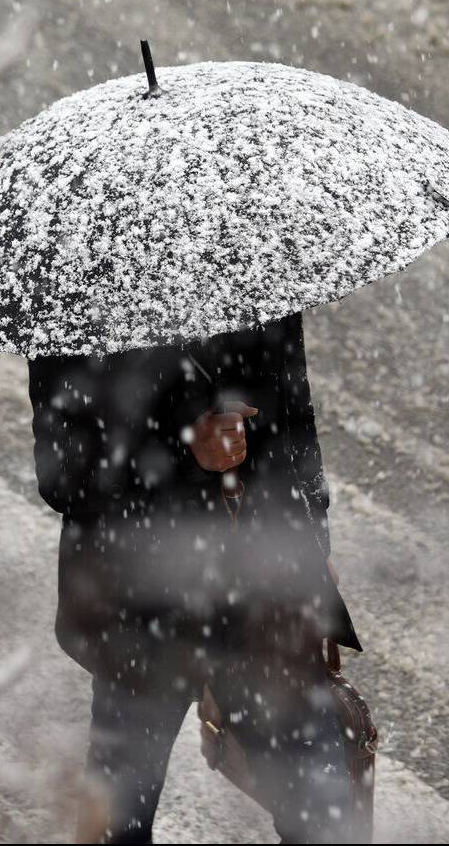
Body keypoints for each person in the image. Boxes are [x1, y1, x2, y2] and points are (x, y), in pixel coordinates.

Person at [27, 311, 362, 843]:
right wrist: (186, 449)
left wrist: (314, 534)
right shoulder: (79, 289)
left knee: (326, 820)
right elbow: (63, 471)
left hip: (263, 592)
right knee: (118, 822)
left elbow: (293, 407)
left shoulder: (252, 250)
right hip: (142, 605)